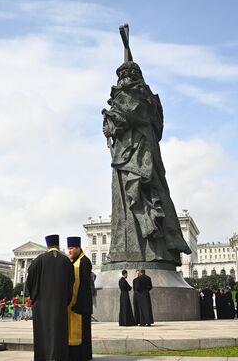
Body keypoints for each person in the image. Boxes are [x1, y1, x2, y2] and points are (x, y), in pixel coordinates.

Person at [102, 59, 191, 267]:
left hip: (134, 155)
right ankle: (151, 250)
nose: (120, 82)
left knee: (134, 196)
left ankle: (135, 251)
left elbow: (126, 116)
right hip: (142, 151)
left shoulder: (133, 95)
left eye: (122, 77)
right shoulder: (150, 99)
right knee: (149, 195)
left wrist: (110, 124)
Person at [26, 234, 74, 361]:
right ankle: (60, 356)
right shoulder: (66, 261)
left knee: (43, 331)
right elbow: (71, 283)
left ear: (48, 246)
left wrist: (34, 296)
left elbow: (29, 279)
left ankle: (43, 356)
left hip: (42, 305)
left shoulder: (39, 259)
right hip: (60, 304)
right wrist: (66, 299)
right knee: (60, 330)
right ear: (58, 245)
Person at [67, 236, 93, 361]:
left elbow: (84, 286)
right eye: (68, 248)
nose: (69, 251)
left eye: (71, 248)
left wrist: (78, 303)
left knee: (84, 333)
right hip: (76, 304)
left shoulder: (84, 261)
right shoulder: (74, 262)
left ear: (78, 248)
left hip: (81, 305)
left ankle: (83, 356)